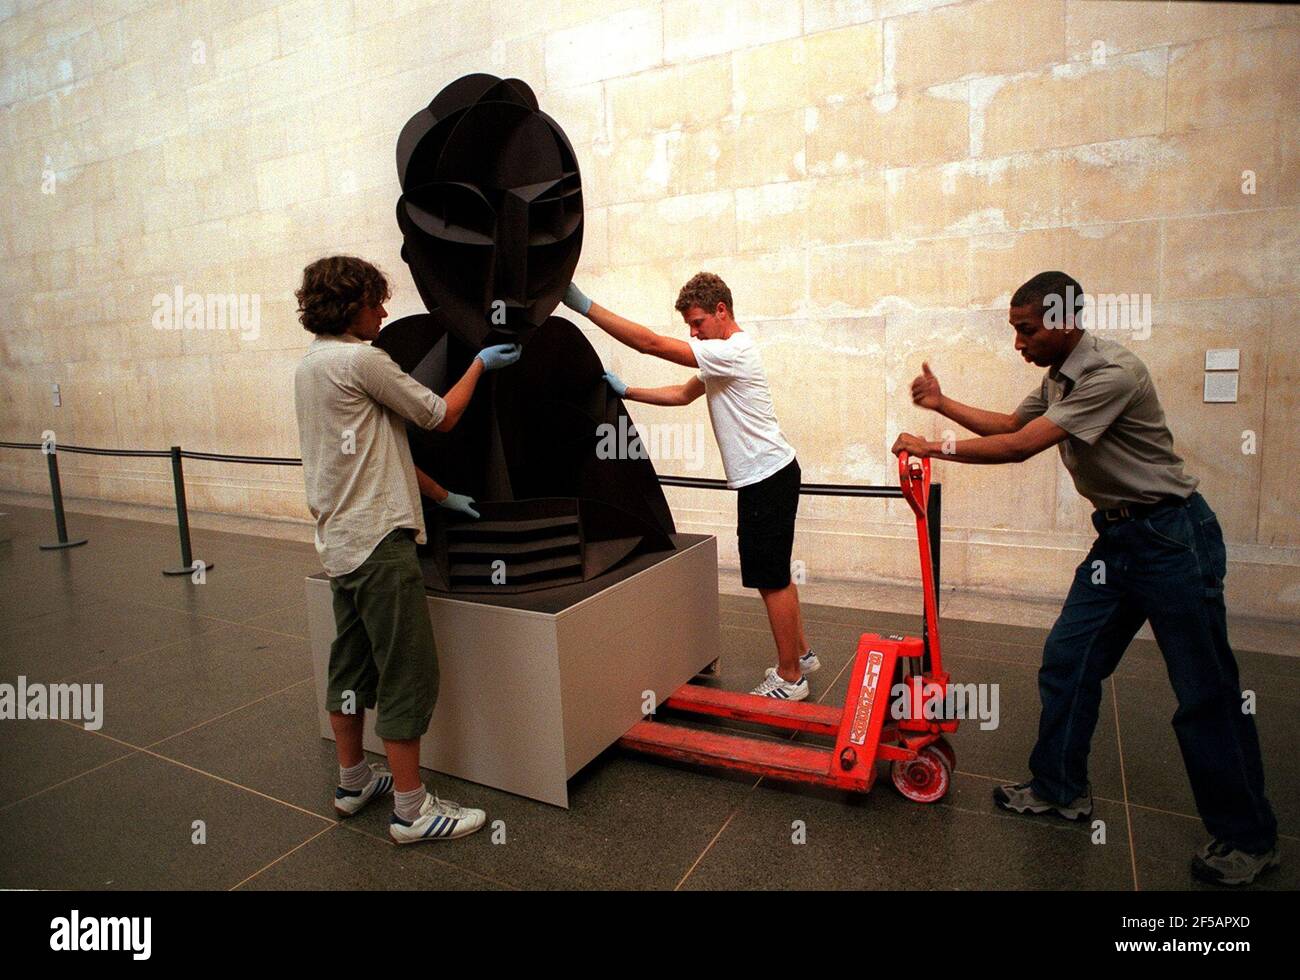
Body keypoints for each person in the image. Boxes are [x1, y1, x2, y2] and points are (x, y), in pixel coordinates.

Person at [891, 270, 1279, 886]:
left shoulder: (1110, 375)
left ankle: (1249, 837)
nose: (1018, 343)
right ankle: (1059, 789)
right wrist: (942, 404)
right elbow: (1010, 428)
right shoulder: (1060, 377)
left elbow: (1022, 450)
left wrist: (933, 446)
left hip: (1172, 538)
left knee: (1205, 692)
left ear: (1064, 320)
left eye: (1026, 330)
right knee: (1067, 661)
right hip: (1120, 540)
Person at [293, 255, 520, 843]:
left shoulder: (311, 365)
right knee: (407, 671)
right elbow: (439, 416)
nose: (385, 312)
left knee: (350, 662)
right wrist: (478, 364)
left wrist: (442, 496)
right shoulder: (363, 360)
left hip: (340, 542)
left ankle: (351, 782)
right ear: (352, 305)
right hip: (380, 542)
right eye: (375, 303)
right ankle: (412, 810)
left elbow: (375, 446)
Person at [563, 272, 817, 700]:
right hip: (771, 475)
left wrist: (584, 305)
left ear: (722, 311)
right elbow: (683, 395)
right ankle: (803, 654)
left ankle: (791, 678)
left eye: (697, 322)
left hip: (766, 478)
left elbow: (651, 344)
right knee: (776, 572)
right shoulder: (722, 356)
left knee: (771, 578)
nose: (694, 333)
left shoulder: (732, 351)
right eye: (689, 328)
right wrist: (629, 391)